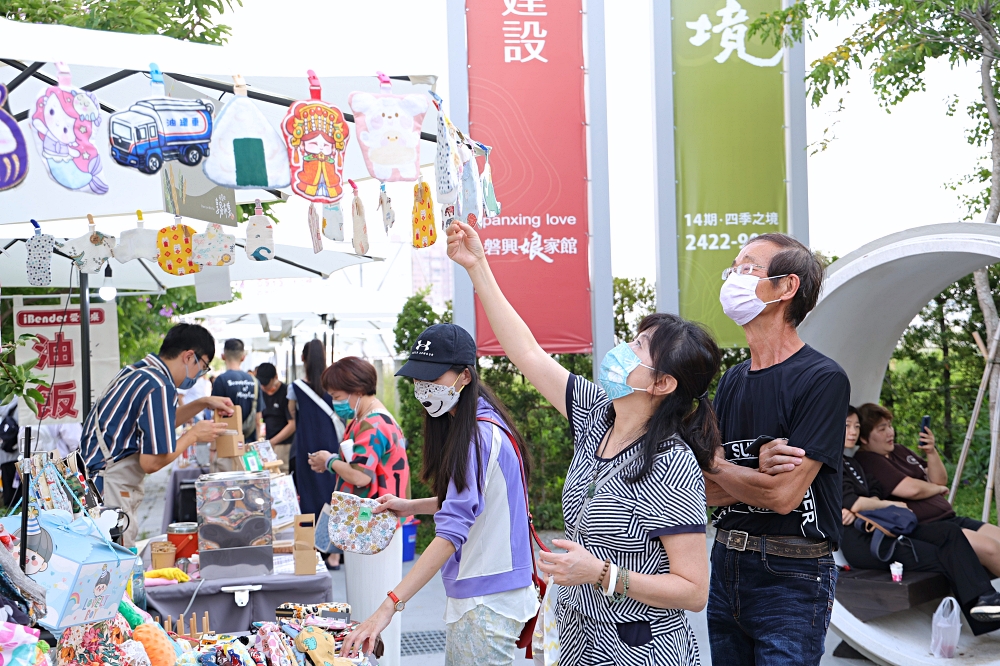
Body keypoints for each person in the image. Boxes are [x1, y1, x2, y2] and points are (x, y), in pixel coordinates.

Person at [383, 219, 717, 664]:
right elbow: (528, 354)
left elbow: (693, 591)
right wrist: (477, 266)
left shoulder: (671, 465)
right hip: (580, 645)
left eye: (637, 349)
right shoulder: (597, 415)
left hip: (641, 651)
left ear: (662, 384)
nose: (622, 351)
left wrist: (601, 573)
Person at [342, 323, 539, 665]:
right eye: (418, 379)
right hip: (492, 597)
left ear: (464, 376)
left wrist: (388, 606)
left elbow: (451, 533)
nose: (423, 388)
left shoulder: (478, 436)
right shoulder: (484, 423)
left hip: (485, 600)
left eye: (433, 378)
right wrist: (410, 506)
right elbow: (476, 501)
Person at [704, 233, 850, 665]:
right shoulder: (731, 381)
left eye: (749, 266)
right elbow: (700, 493)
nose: (734, 276)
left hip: (793, 573)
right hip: (726, 560)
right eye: (734, 266)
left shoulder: (822, 379)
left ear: (787, 287)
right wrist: (756, 467)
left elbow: (782, 497)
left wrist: (718, 465)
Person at [764, 406, 1000, 630]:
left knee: (950, 535)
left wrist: (865, 506)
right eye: (847, 426)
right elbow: (853, 501)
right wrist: (885, 504)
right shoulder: (827, 463)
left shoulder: (852, 461)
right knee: (950, 553)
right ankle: (984, 608)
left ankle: (986, 600)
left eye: (857, 426)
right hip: (865, 542)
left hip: (885, 531)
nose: (854, 432)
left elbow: (872, 492)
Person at [80, 323, 233, 546]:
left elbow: (159, 424)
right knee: (116, 566)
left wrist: (203, 403)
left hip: (95, 486)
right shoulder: (160, 385)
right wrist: (192, 436)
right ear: (189, 356)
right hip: (110, 490)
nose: (200, 375)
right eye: (203, 367)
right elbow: (150, 462)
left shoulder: (137, 373)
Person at [854, 402, 1000, 577]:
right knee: (992, 549)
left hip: (950, 518)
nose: (890, 432)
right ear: (864, 438)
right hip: (931, 528)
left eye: (890, 426)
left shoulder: (899, 450)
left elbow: (940, 479)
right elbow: (911, 489)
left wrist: (931, 452)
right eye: (882, 429)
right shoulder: (868, 459)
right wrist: (937, 489)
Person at [308, 356, 410, 500]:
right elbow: (361, 461)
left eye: (337, 396)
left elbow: (360, 476)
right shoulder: (364, 418)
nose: (335, 402)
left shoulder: (374, 425)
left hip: (373, 516)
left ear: (358, 390)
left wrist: (329, 461)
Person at [286, 339, 343, 565]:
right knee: (334, 496)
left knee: (308, 497)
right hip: (331, 447)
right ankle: (335, 553)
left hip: (307, 448)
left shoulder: (296, 387)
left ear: (303, 359)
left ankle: (311, 551)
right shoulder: (334, 386)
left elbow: (291, 417)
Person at [211, 339, 264, 441]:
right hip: (249, 444)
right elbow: (258, 419)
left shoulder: (221, 380)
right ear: (243, 357)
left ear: (223, 356)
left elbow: (217, 416)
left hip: (227, 443)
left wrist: (213, 447)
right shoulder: (254, 381)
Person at [256, 362, 295, 473]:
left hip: (284, 444)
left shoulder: (286, 393)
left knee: (282, 473)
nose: (264, 387)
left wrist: (273, 442)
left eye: (266, 384)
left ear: (275, 378)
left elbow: (292, 424)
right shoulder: (261, 393)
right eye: (261, 384)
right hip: (268, 443)